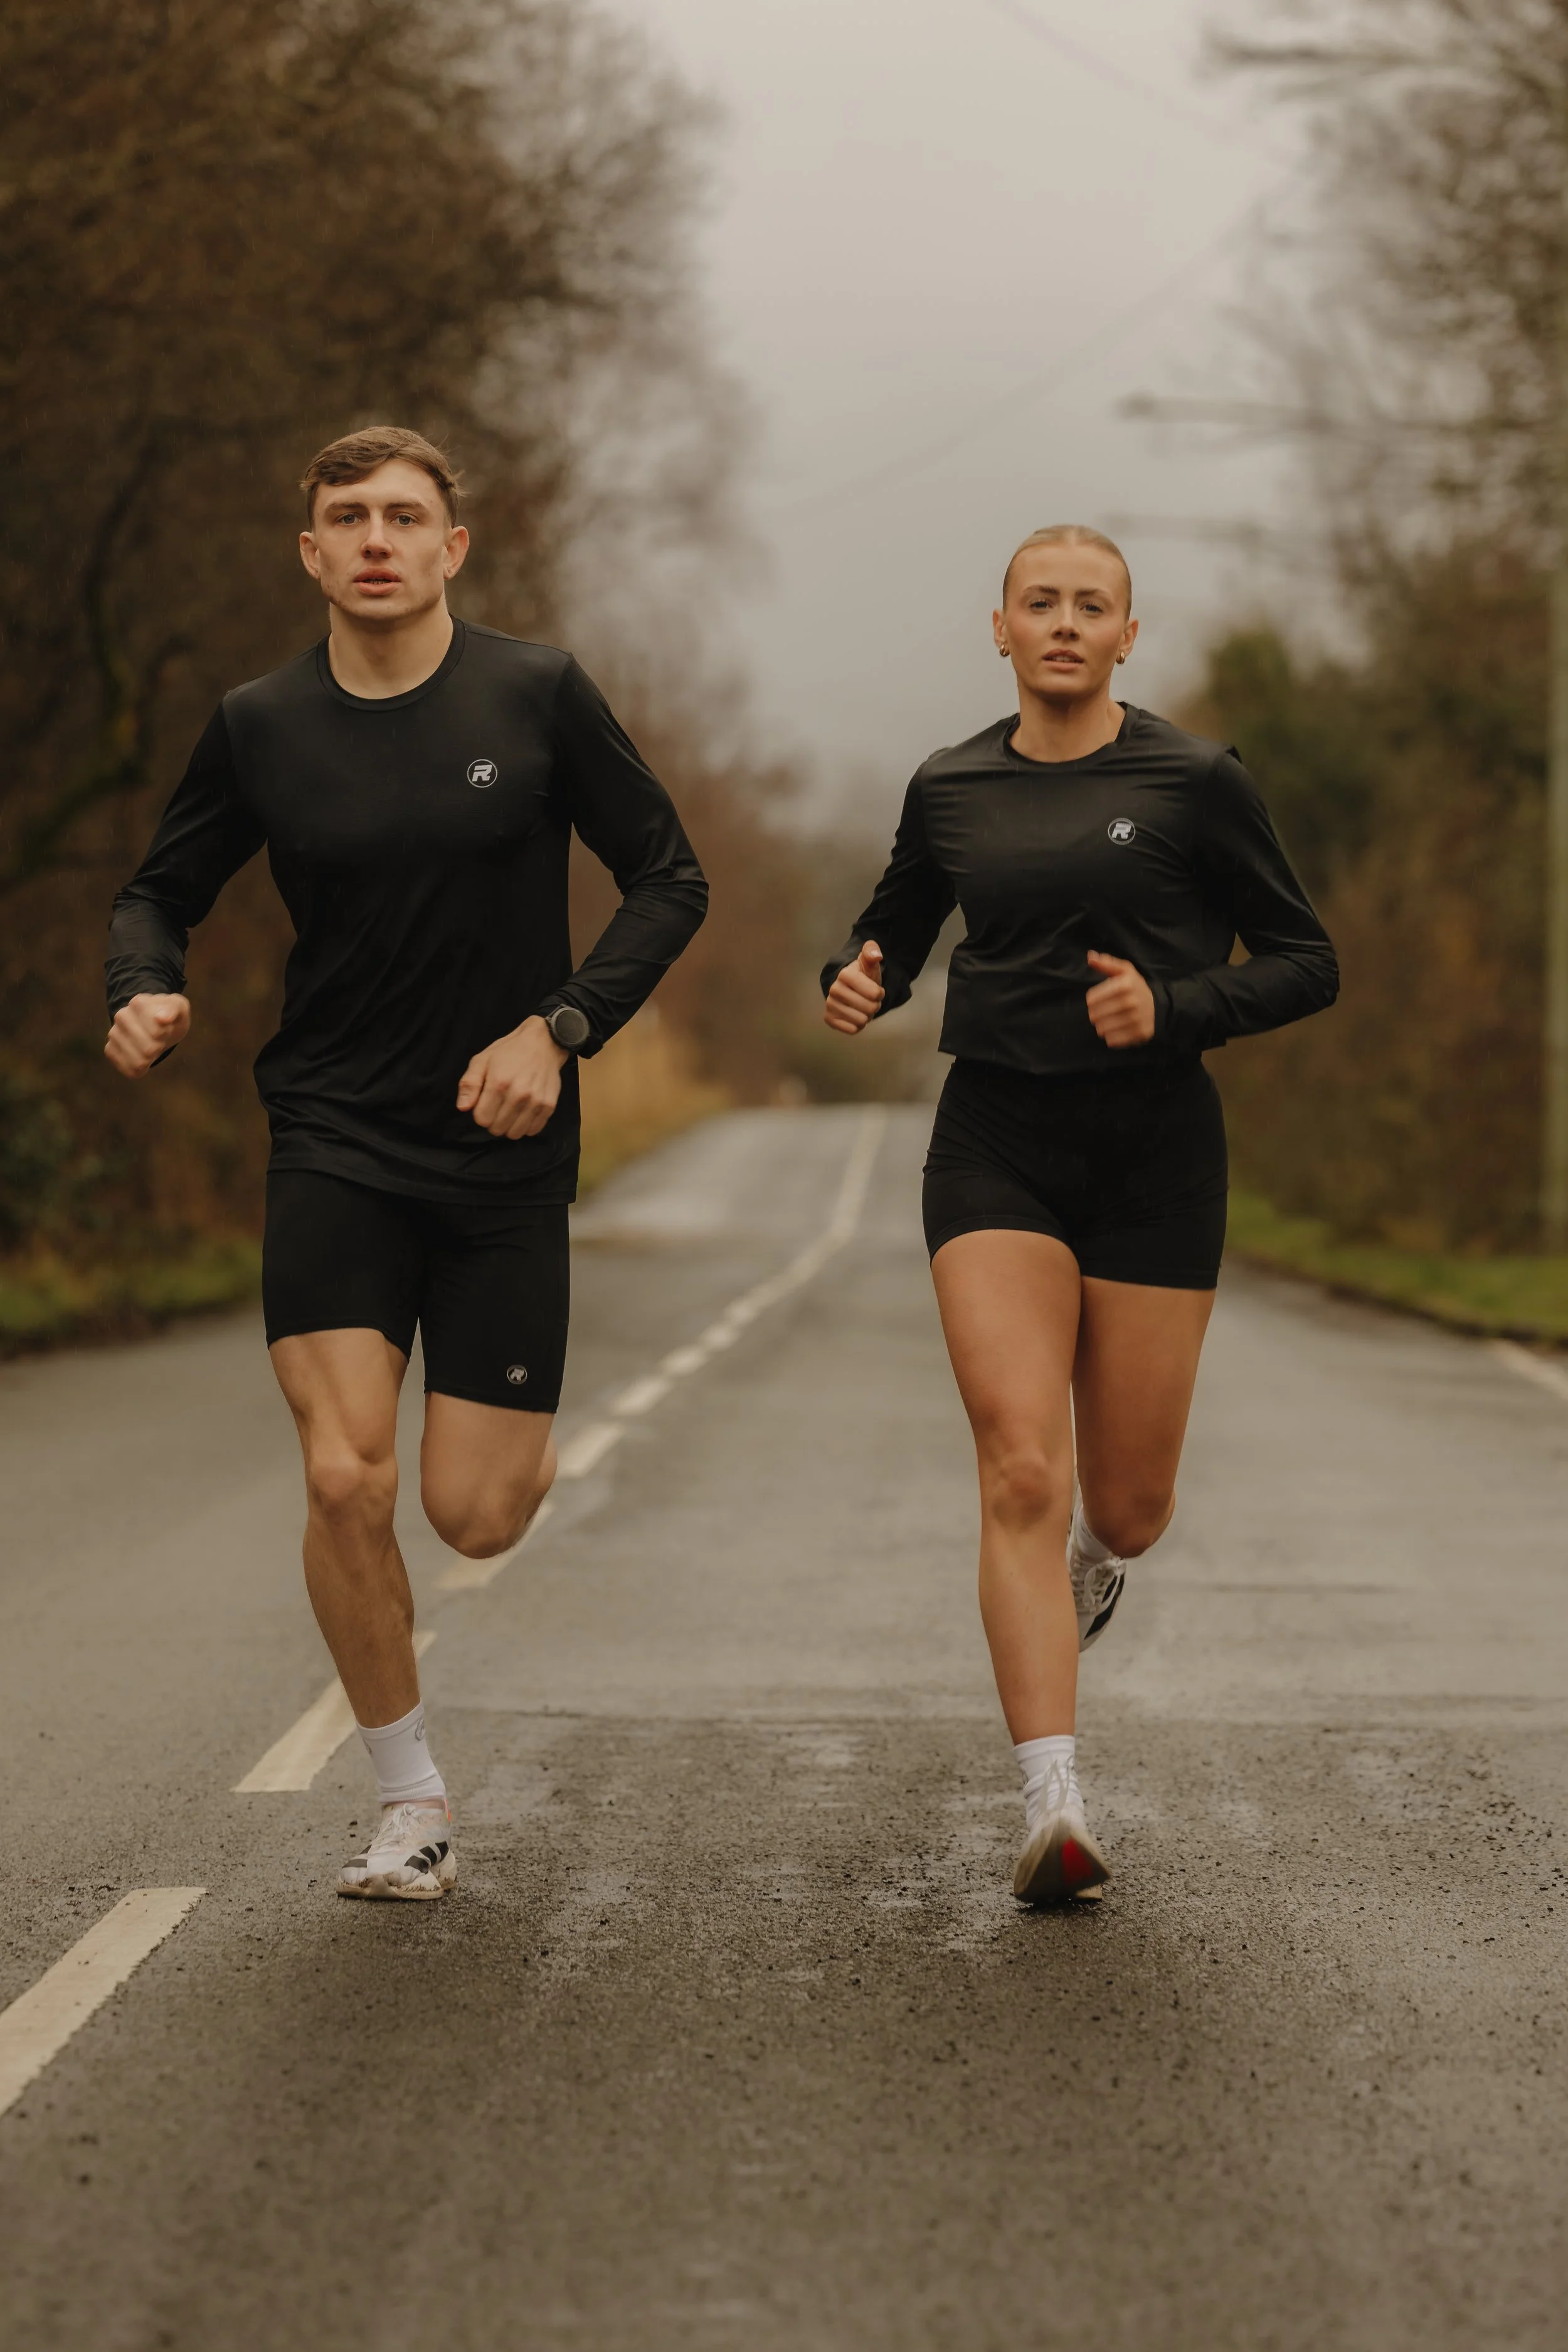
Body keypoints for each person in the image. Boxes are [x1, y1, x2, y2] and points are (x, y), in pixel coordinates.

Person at [105, 426, 707, 1901]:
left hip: (502, 1150)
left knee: (473, 1515)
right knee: (340, 1473)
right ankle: (409, 1797)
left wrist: (559, 1028)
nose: (377, 537)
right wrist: (142, 983)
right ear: (310, 555)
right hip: (333, 1133)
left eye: (404, 515)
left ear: (452, 547)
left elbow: (668, 877)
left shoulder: (537, 693)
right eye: (347, 517)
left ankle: (509, 1431)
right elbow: (157, 889)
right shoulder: (260, 725)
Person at [822, 524, 1337, 1904]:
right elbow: (890, 927)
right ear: (998, 628)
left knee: (1125, 1501)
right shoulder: (950, 786)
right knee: (1017, 1467)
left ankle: (1096, 1566)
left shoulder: (1191, 781)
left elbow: (1305, 962)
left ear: (1125, 633)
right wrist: (857, 975)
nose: (1061, 622)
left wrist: (1170, 1007)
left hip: (1157, 1154)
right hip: (995, 1140)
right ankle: (1050, 1801)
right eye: (1037, 603)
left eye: (1088, 605)